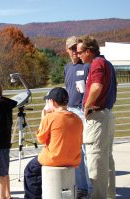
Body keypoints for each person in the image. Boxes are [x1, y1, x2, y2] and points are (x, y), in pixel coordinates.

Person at [24, 87, 83, 199]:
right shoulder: (77, 119)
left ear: (52, 102)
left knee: (30, 170)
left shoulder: (50, 117)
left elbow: (40, 139)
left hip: (54, 158)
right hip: (73, 159)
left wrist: (43, 118)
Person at [77, 36, 117, 199]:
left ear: (88, 51)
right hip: (106, 115)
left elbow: (97, 86)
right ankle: (108, 195)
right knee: (106, 160)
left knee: (95, 162)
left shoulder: (97, 64)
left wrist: (87, 106)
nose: (78, 55)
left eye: (80, 52)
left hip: (98, 118)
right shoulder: (106, 63)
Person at [64, 36, 92, 198]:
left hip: (84, 112)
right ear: (67, 50)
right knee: (76, 151)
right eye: (71, 48)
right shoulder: (67, 68)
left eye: (77, 48)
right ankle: (81, 187)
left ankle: (90, 187)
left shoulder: (88, 66)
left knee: (87, 150)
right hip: (70, 111)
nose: (75, 51)